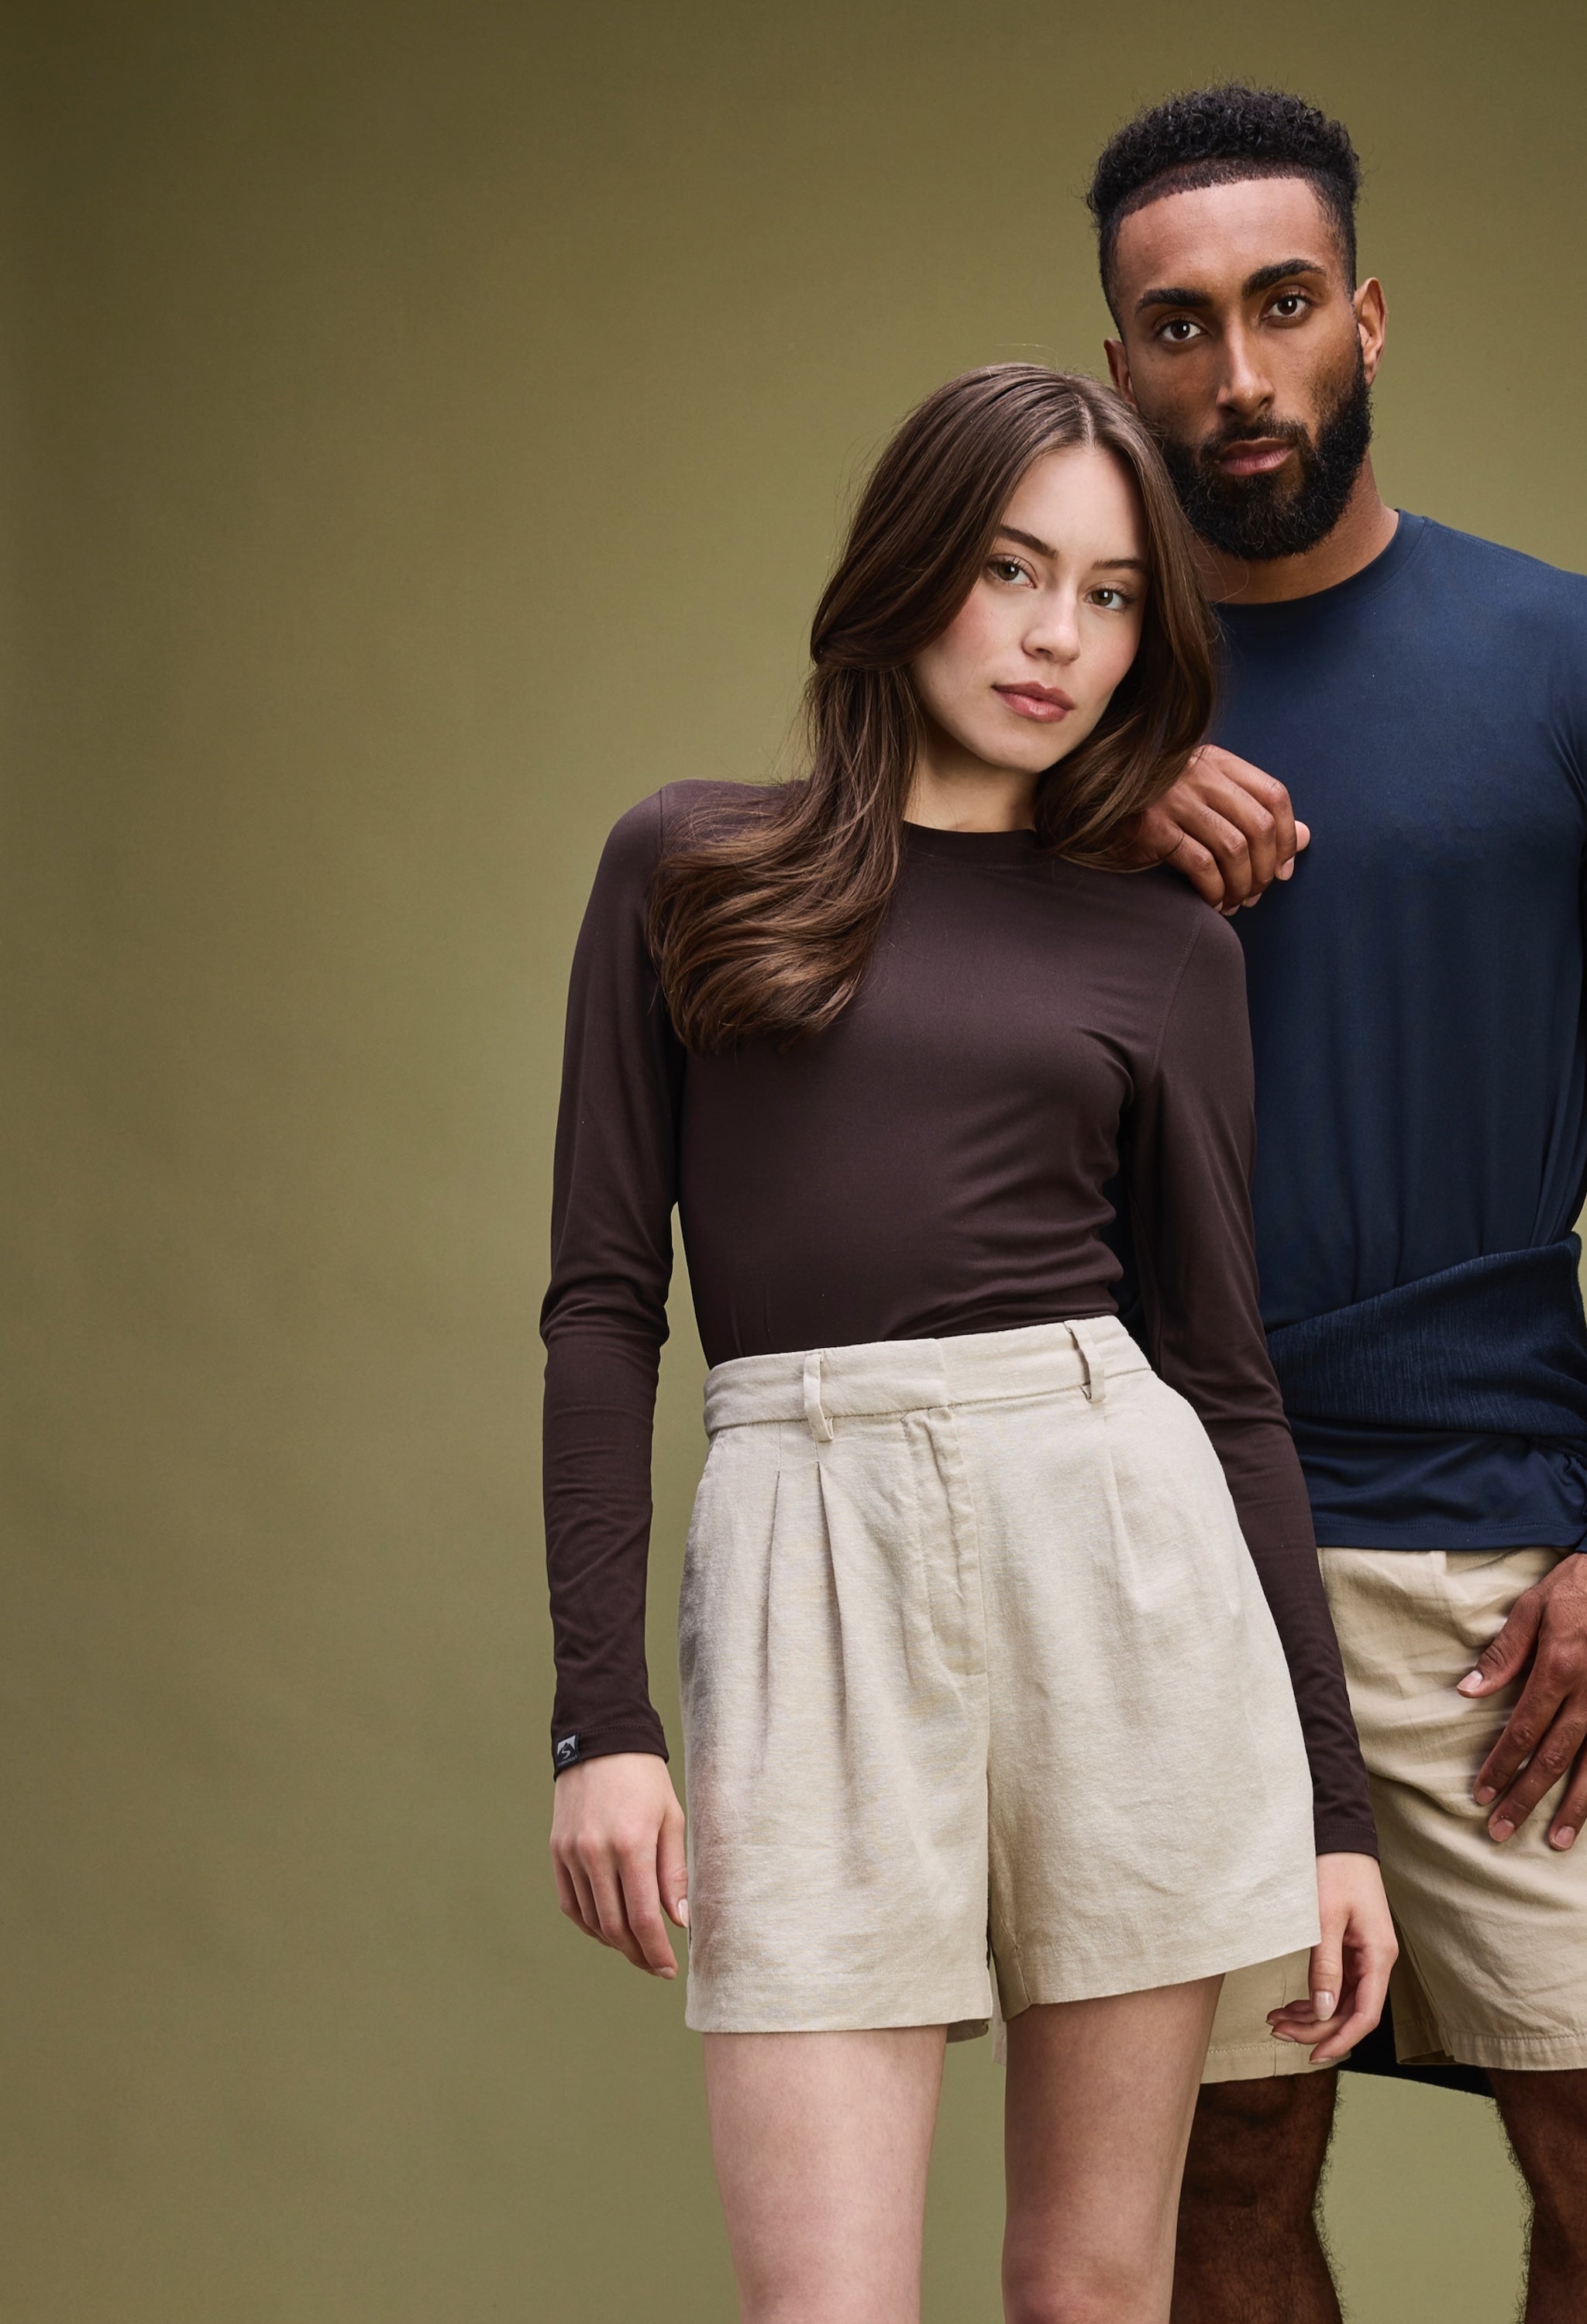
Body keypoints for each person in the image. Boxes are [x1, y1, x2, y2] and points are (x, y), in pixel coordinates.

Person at [535, 363, 1396, 2324]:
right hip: (806, 1546)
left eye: (1110, 595)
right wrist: (603, 1721)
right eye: (1012, 570)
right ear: (910, 567)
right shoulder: (689, 866)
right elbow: (602, 1304)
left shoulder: (1165, 947)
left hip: (1115, 1548)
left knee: (1092, 2288)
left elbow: (1226, 1377)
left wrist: (1336, 1814)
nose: (1055, 638)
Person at [1086, 91, 1587, 2323]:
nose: (1239, 371)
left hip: (1503, 1547)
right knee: (1214, 2175)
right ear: (1121, 369)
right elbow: (834, 967)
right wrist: (1090, 786)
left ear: (1367, 317)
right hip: (1167, 1548)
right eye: (1179, 325)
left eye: (1283, 304)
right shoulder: (1053, 712)